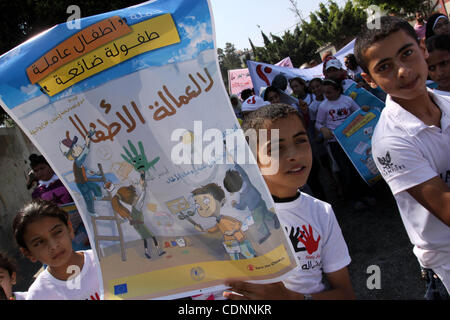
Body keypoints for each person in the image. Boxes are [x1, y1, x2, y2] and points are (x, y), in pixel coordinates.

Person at [355, 15, 450, 299]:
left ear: (423, 49)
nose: (403, 71)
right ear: (369, 80)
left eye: (406, 54)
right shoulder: (389, 142)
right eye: (385, 67)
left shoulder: (447, 103)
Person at [224, 104, 354, 300]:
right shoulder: (232, 220)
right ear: (253, 159)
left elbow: (345, 294)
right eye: (276, 147)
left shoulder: (322, 212)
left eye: (301, 140)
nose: (294, 155)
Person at [12, 200, 101, 299]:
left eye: (57, 232)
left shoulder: (105, 261)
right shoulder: (39, 295)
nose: (53, 246)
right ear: (28, 253)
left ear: (70, 229)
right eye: (39, 242)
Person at [315, 79, 375, 210]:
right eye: (325, 93)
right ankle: (353, 199)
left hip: (352, 141)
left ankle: (366, 194)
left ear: (338, 90)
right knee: (345, 170)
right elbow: (318, 123)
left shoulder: (347, 100)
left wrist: (363, 110)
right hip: (336, 143)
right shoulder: (323, 106)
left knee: (358, 168)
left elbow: (357, 113)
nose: (327, 95)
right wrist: (323, 129)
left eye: (330, 92)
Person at [27, 154, 90, 252]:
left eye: (42, 168)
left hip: (81, 223)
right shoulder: (37, 193)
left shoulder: (65, 182)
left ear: (51, 167)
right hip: (57, 230)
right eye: (36, 171)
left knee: (87, 248)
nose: (39, 172)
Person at [192, 183, 256, 260]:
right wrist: (202, 230)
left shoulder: (226, 218)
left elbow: (238, 223)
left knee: (249, 254)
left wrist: (233, 231)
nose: (202, 208)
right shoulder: (219, 222)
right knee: (234, 257)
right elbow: (213, 229)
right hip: (230, 241)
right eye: (198, 206)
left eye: (206, 202)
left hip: (240, 239)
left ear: (222, 201)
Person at [111, 175, 165, 259]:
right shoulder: (136, 206)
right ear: (132, 197)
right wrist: (143, 186)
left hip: (137, 226)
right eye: (135, 195)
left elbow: (128, 218)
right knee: (152, 236)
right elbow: (142, 196)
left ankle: (146, 252)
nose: (137, 196)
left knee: (144, 238)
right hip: (141, 225)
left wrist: (123, 221)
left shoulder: (130, 209)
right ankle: (158, 251)